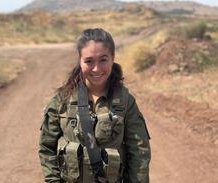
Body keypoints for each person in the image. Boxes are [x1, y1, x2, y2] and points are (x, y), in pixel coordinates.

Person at [39, 28, 151, 183]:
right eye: (89, 61)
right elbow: (47, 148)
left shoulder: (125, 101)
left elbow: (139, 151)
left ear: (113, 58)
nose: (96, 68)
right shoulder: (62, 100)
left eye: (103, 60)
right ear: (80, 61)